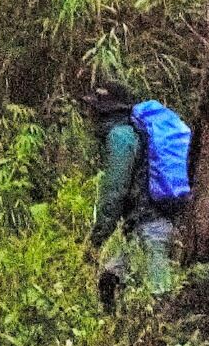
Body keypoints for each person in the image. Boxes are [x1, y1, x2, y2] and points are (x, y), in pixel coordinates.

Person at [83, 82, 193, 307]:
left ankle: (162, 340)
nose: (89, 116)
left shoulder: (121, 137)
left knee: (160, 299)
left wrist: (96, 239)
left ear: (104, 112)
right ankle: (118, 336)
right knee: (110, 279)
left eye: (93, 110)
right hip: (143, 227)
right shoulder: (133, 132)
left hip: (152, 226)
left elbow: (114, 192)